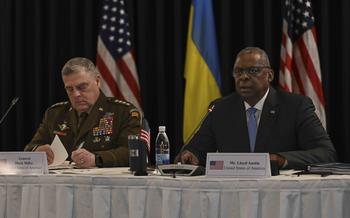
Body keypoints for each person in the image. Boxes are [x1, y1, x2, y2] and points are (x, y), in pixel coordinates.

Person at [178, 47, 338, 170]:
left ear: (270, 75)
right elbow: (197, 150)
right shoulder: (220, 108)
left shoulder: (295, 106)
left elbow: (326, 153)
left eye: (253, 70)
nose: (244, 77)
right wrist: (192, 156)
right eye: (238, 72)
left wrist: (280, 159)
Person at [25, 57, 141, 168]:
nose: (76, 94)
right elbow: (30, 148)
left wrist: (96, 159)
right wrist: (37, 151)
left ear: (97, 81)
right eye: (70, 89)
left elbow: (133, 151)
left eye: (82, 87)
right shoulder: (55, 114)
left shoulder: (122, 112)